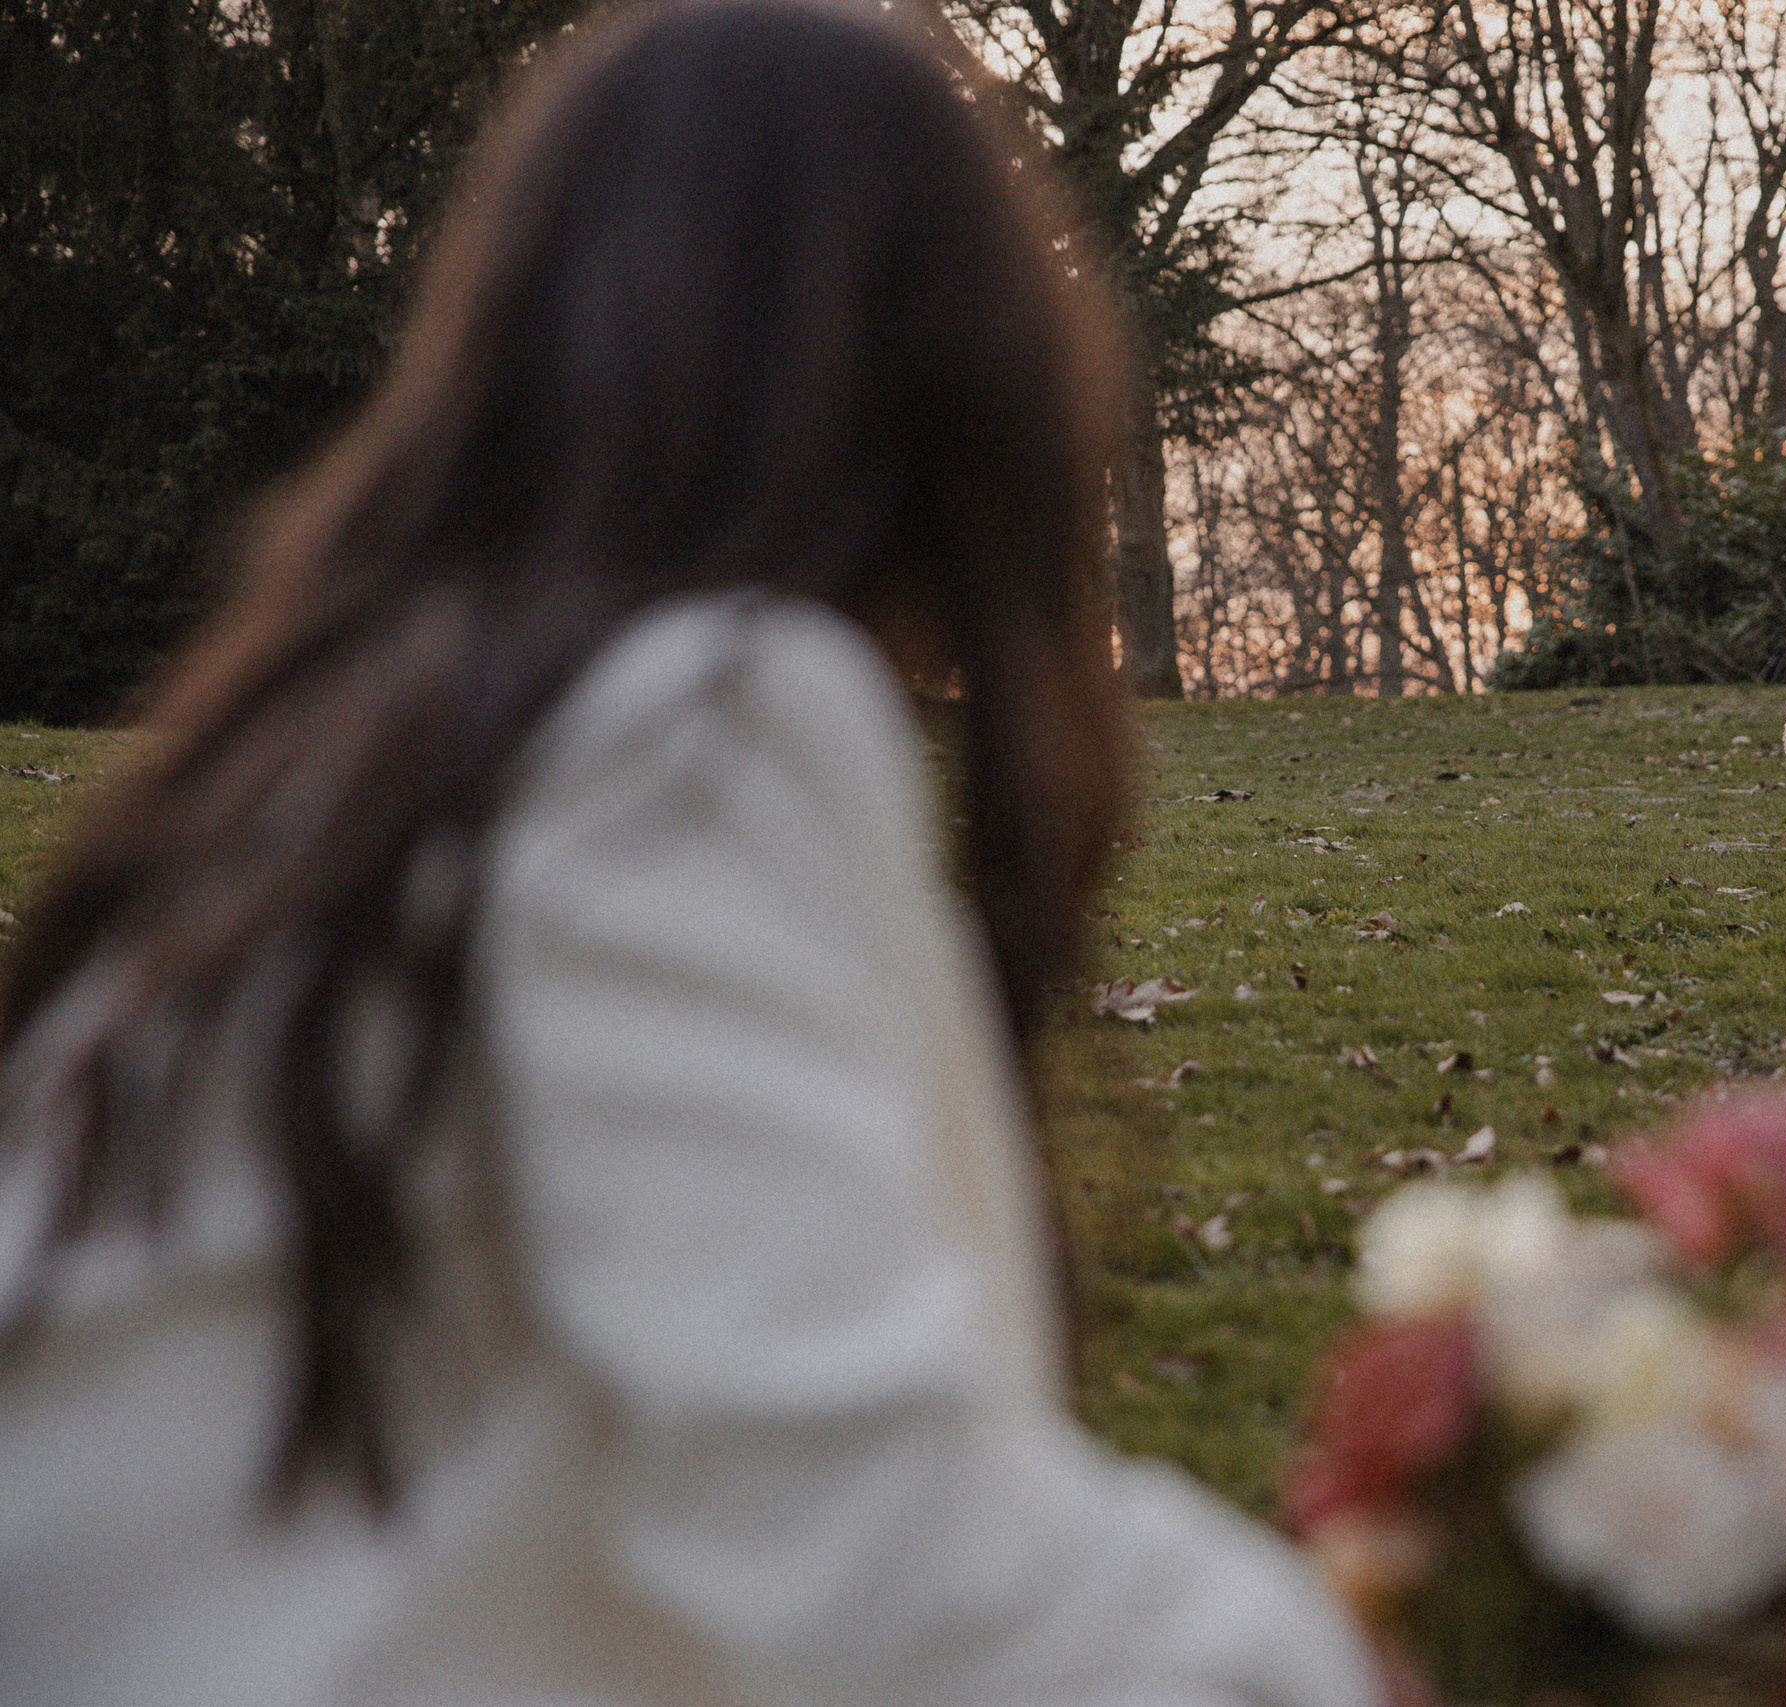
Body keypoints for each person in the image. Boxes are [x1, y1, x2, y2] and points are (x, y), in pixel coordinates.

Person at [0, 4, 1382, 1703]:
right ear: (949, 373)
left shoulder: (326, 761)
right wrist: (1341, 1654)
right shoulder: (687, 727)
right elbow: (866, 1533)